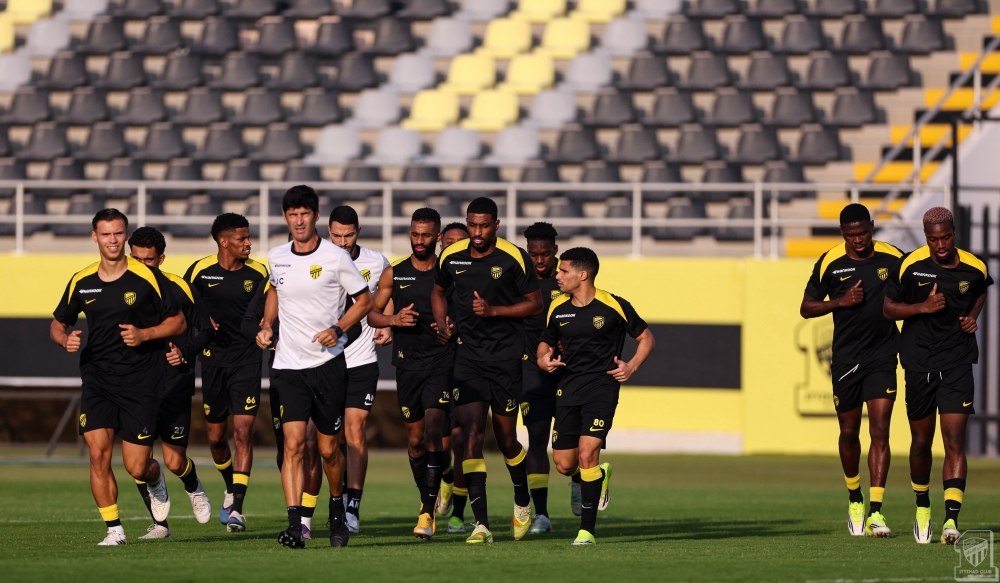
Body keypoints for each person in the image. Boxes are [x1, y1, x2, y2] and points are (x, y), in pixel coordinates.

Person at [50, 209, 185, 545]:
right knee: (97, 454)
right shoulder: (81, 281)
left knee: (137, 466)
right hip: (97, 379)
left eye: (118, 233)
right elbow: (57, 323)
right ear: (94, 236)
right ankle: (114, 530)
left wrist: (145, 334)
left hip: (140, 381)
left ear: (125, 236)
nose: (112, 240)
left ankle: (154, 480)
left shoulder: (147, 277)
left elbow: (178, 322)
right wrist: (64, 338)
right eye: (106, 234)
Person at [257, 185, 372, 549]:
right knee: (293, 445)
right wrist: (266, 324)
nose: (298, 220)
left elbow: (365, 300)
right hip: (288, 366)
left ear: (316, 217)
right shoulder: (276, 256)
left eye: (304, 214)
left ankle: (336, 510)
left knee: (327, 450)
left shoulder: (336, 257)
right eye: (292, 214)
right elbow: (275, 289)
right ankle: (295, 526)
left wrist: (338, 329)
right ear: (285, 218)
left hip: (328, 366)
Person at [432, 197, 543, 544]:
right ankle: (481, 524)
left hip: (506, 360)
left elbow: (535, 304)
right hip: (467, 359)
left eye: (484, 226)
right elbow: (438, 291)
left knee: (506, 439)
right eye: (472, 225)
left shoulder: (513, 257)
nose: (477, 233)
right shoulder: (452, 255)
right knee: (471, 436)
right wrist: (441, 322)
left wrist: (493, 311)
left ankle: (522, 498)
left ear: (496, 224)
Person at [884, 207, 992, 545]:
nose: (940, 244)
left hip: (957, 362)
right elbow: (888, 309)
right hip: (918, 363)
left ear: (954, 231)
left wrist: (973, 315)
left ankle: (951, 522)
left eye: (945, 237)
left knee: (955, 442)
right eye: (933, 239)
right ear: (926, 237)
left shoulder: (975, 268)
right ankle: (922, 507)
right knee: (920, 442)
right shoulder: (909, 266)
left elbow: (980, 291)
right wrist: (921, 308)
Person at [537, 247, 655, 545]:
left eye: (563, 271)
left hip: (602, 388)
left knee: (588, 453)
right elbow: (545, 344)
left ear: (583, 274)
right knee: (565, 464)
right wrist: (543, 359)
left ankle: (586, 531)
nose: (558, 276)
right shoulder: (557, 308)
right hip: (568, 388)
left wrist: (631, 366)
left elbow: (646, 338)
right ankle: (598, 476)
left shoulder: (614, 304)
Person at [799, 204, 903, 538]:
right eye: (850, 234)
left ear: (872, 227)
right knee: (848, 433)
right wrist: (840, 302)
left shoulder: (893, 257)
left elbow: (920, 279)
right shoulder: (830, 262)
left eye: (863, 233)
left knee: (880, 430)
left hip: (883, 355)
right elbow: (806, 307)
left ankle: (875, 511)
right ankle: (854, 497)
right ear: (842, 233)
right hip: (845, 359)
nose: (858, 240)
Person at [368, 208, 452, 539]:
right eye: (415, 235)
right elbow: (372, 313)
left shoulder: (449, 274)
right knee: (415, 441)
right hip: (406, 366)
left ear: (438, 237)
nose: (420, 241)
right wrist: (393, 320)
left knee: (433, 432)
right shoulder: (395, 273)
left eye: (426, 235)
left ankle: (426, 512)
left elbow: (464, 314)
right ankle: (428, 497)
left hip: (441, 363)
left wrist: (452, 327)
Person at [128, 227, 216, 539]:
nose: (142, 265)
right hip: (135, 385)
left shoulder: (179, 288)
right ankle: (160, 524)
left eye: (148, 260)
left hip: (174, 382)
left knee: (174, 460)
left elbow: (206, 329)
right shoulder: (118, 288)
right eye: (136, 259)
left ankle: (192, 485)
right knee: (137, 463)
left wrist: (185, 353)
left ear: (161, 258)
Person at [184, 213, 269, 532]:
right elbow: (181, 307)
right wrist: (200, 322)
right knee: (217, 438)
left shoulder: (259, 271)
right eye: (242, 238)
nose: (248, 243)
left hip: (247, 361)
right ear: (223, 241)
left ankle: (237, 508)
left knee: (244, 432)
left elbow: (273, 305)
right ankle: (230, 486)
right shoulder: (198, 271)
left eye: (249, 237)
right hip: (212, 362)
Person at [243, 262, 324, 541]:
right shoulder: (273, 284)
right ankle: (295, 515)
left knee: (314, 445)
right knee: (290, 447)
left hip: (321, 372)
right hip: (284, 375)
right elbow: (249, 321)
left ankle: (307, 520)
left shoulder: (327, 276)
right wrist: (265, 334)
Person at [328, 205, 390, 534]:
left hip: (362, 361)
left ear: (359, 231)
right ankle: (330, 499)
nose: (342, 241)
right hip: (325, 364)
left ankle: (352, 506)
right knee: (325, 440)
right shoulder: (319, 260)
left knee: (354, 433)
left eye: (348, 235)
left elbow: (386, 296)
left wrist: (388, 325)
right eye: (336, 235)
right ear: (328, 232)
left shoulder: (376, 262)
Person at [520, 222, 564, 534]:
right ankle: (542, 514)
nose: (539, 260)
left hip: (568, 372)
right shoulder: (517, 279)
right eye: (533, 253)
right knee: (536, 440)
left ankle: (578, 479)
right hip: (530, 372)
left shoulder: (569, 280)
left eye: (545, 254)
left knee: (570, 443)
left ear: (555, 252)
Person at [438, 222, 470, 534]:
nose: (455, 247)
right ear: (440, 243)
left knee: (462, 441)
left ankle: (458, 514)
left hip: (467, 368)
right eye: (450, 242)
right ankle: (445, 478)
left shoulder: (475, 278)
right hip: (435, 369)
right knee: (436, 443)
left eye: (462, 242)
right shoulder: (430, 278)